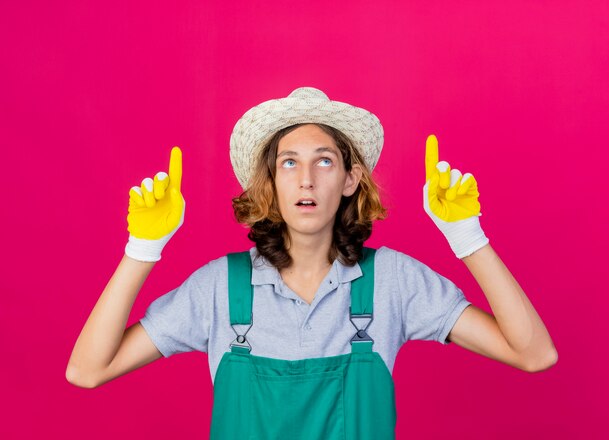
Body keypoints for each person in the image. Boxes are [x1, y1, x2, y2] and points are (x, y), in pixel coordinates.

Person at [66, 87, 558, 439]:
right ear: (271, 184)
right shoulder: (219, 289)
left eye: (324, 161)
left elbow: (534, 354)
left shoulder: (391, 283)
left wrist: (467, 236)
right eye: (288, 162)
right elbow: (87, 370)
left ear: (350, 179)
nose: (306, 180)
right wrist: (142, 249)